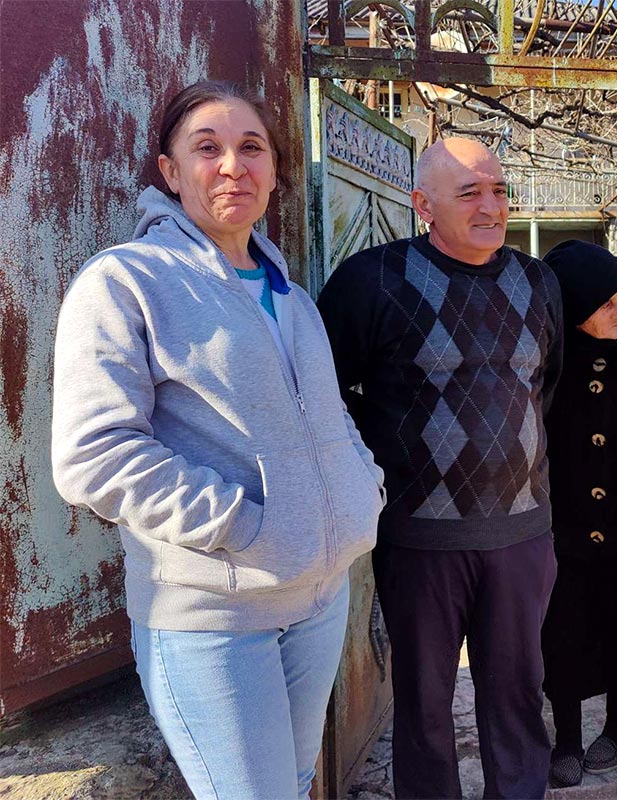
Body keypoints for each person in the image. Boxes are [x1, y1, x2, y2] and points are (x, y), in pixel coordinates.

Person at [50, 80, 384, 800]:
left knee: (290, 786)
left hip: (319, 603)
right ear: (170, 173)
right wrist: (241, 524)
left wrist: (365, 488)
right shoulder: (124, 282)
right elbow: (93, 455)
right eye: (207, 148)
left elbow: (330, 416)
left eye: (251, 147)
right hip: (213, 617)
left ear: (273, 171)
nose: (232, 165)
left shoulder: (291, 298)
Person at [317, 137, 564, 799]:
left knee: (517, 696)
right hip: (419, 542)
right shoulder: (371, 283)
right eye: (470, 193)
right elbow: (323, 398)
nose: (491, 206)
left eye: (499, 191)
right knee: (424, 705)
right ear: (423, 204)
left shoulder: (538, 282)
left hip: (520, 537)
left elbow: (544, 389)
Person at [539, 240, 617, 787]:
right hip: (561, 515)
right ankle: (564, 739)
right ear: (574, 308)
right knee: (562, 625)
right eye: (606, 303)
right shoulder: (545, 350)